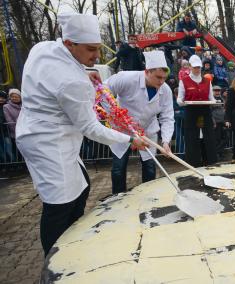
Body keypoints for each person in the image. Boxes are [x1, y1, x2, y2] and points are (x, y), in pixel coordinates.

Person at [15, 13, 147, 257]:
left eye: (97, 49)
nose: (96, 56)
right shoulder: (71, 83)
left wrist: (85, 70)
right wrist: (130, 139)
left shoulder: (44, 47)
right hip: (49, 139)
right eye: (90, 50)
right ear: (69, 44)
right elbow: (91, 128)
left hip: (39, 130)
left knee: (83, 187)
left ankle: (72, 241)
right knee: (60, 202)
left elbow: (57, 73)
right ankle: (56, 258)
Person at [106, 50, 174, 194]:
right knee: (118, 168)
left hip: (148, 130)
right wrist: (113, 113)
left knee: (150, 167)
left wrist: (166, 141)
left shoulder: (165, 90)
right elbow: (103, 91)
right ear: (147, 71)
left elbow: (167, 117)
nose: (162, 82)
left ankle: (147, 197)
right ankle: (118, 198)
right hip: (122, 130)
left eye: (164, 78)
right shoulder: (127, 78)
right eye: (158, 77)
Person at [177, 55, 217, 166]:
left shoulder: (207, 81)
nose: (197, 69)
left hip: (205, 112)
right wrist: (182, 102)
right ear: (189, 67)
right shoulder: (184, 81)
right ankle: (194, 164)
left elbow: (211, 97)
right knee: (192, 138)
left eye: (199, 67)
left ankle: (210, 163)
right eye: (195, 67)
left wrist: (214, 101)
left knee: (208, 138)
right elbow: (180, 99)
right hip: (191, 113)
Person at [3, 88, 22, 161]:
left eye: (16, 96)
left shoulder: (24, 105)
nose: (14, 98)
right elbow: (9, 121)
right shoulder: (6, 107)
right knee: (17, 150)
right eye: (12, 96)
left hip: (26, 131)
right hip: (15, 132)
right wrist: (18, 130)